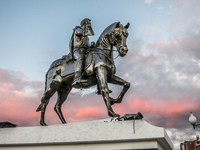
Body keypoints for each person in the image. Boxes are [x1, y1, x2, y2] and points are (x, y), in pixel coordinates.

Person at [69, 18, 94, 86]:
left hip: (85, 51)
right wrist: (89, 26)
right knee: (80, 57)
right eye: (88, 23)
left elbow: (89, 37)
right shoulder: (78, 30)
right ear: (84, 24)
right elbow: (88, 33)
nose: (89, 25)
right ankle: (77, 78)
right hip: (78, 50)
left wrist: (91, 47)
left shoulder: (86, 37)